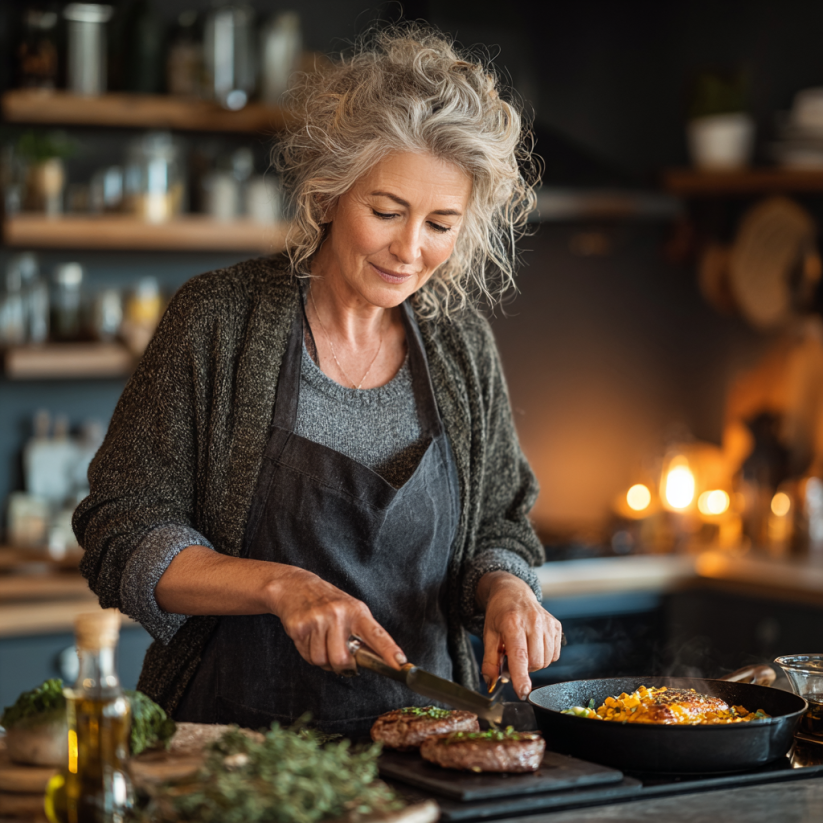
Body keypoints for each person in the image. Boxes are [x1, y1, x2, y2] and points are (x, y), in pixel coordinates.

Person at [73, 25, 562, 736]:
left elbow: (500, 521)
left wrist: (508, 587)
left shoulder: (460, 346)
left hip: (432, 745)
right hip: (233, 748)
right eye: (386, 211)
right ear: (330, 191)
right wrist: (281, 587)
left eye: (440, 223)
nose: (409, 248)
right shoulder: (218, 321)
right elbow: (121, 530)